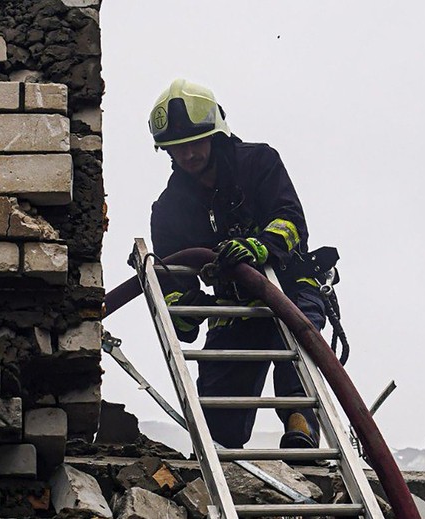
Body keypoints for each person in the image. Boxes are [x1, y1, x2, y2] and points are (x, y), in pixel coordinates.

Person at [148, 78, 325, 450]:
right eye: (177, 148)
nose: (188, 154)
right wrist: (185, 307)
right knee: (219, 426)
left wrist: (259, 248)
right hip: (231, 306)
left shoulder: (259, 162)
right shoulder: (169, 209)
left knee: (299, 343)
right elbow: (172, 278)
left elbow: (292, 220)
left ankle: (300, 428)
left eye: (195, 142)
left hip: (288, 286)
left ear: (215, 134)